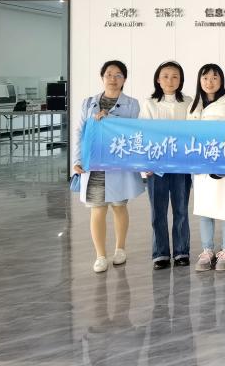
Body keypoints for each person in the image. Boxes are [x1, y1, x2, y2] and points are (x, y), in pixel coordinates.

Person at [72, 60, 144, 273]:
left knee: (119, 206)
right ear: (102, 77)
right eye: (109, 74)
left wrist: (109, 118)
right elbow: (80, 132)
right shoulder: (88, 103)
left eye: (118, 75)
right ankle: (100, 255)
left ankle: (120, 249)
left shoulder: (132, 104)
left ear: (124, 79)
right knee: (97, 209)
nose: (113, 79)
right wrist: (77, 160)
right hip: (94, 164)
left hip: (117, 163)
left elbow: (131, 130)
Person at [138, 61, 193, 270]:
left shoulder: (188, 102)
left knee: (181, 210)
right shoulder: (150, 103)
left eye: (175, 76)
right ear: (158, 80)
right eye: (166, 76)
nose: (170, 80)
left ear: (181, 80)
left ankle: (181, 251)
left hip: (181, 165)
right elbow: (143, 135)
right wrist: (145, 164)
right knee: (158, 211)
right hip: (156, 166)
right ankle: (160, 253)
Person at [188, 64, 225, 272]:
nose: (209, 82)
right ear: (199, 81)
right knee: (205, 207)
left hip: (224, 164)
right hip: (200, 165)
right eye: (205, 78)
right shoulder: (193, 105)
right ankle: (207, 250)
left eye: (214, 77)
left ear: (221, 80)